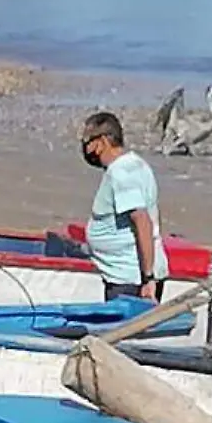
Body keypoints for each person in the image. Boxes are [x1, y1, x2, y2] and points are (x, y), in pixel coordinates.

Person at [80, 111, 168, 301]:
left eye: (88, 142)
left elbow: (142, 220)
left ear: (102, 142)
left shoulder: (122, 173)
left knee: (124, 330)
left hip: (130, 281)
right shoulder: (137, 165)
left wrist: (148, 279)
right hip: (128, 275)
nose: (86, 149)